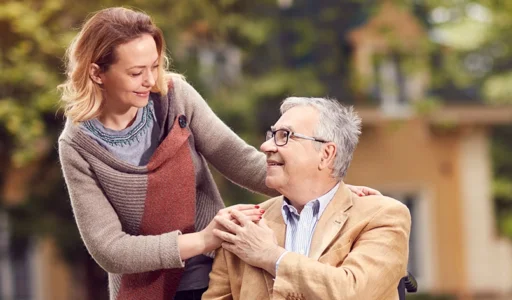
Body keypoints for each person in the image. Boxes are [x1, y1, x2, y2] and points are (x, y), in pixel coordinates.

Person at [57, 7, 378, 300]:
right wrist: (205, 238)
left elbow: (239, 159)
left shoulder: (174, 97)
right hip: (146, 288)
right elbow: (109, 250)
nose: (151, 80)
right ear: (97, 73)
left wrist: (334, 193)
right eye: (136, 72)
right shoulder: (77, 146)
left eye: (155, 66)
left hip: (212, 273)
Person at [203, 97, 411, 300]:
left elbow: (355, 292)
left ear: (326, 154)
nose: (266, 147)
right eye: (271, 135)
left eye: (285, 135)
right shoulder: (243, 226)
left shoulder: (382, 216)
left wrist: (272, 257)